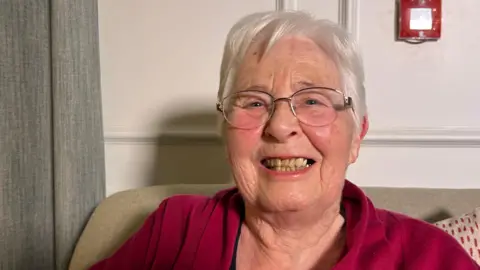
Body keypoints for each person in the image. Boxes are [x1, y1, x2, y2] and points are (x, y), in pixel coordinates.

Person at [89, 10, 480, 270]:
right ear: (226, 134)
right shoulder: (175, 229)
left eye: (312, 100)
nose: (279, 126)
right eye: (254, 101)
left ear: (357, 135)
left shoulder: (431, 257)